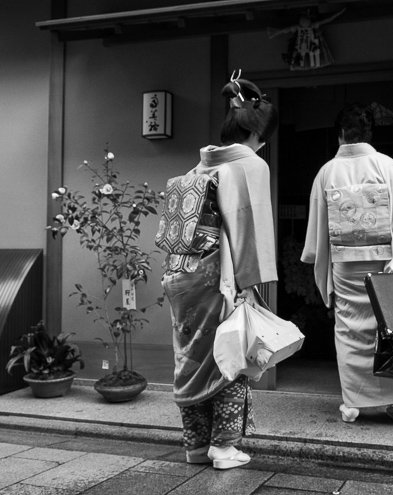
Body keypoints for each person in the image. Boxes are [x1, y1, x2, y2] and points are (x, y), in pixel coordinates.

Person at [160, 72, 278, 469]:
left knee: (190, 357)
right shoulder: (250, 166)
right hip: (220, 277)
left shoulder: (202, 165)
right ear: (259, 135)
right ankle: (224, 447)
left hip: (182, 275)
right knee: (230, 354)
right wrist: (249, 286)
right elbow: (250, 229)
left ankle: (195, 445)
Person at [301, 103, 393, 425]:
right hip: (383, 260)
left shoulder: (327, 171)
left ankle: (353, 403)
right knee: (391, 328)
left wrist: (319, 257)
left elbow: (319, 224)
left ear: (341, 134)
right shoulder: (387, 165)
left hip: (345, 264)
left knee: (349, 329)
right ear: (369, 133)